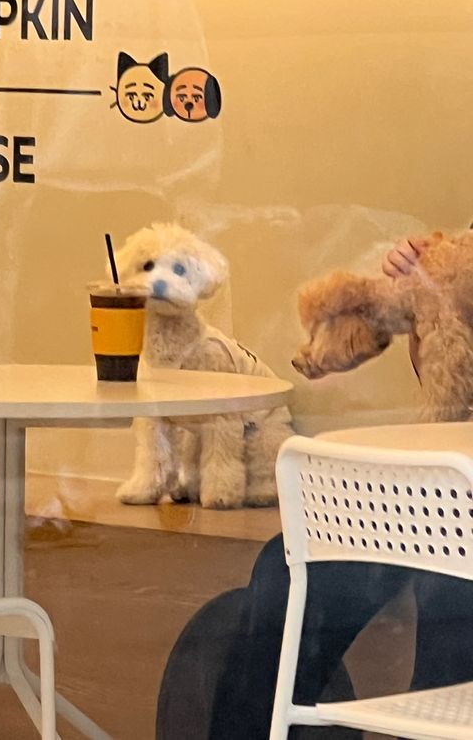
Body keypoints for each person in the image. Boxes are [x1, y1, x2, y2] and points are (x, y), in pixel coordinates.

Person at [156, 233, 473, 740]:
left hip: (454, 501)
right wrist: (421, 304)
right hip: (447, 484)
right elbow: (449, 383)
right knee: (286, 571)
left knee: (449, 591)